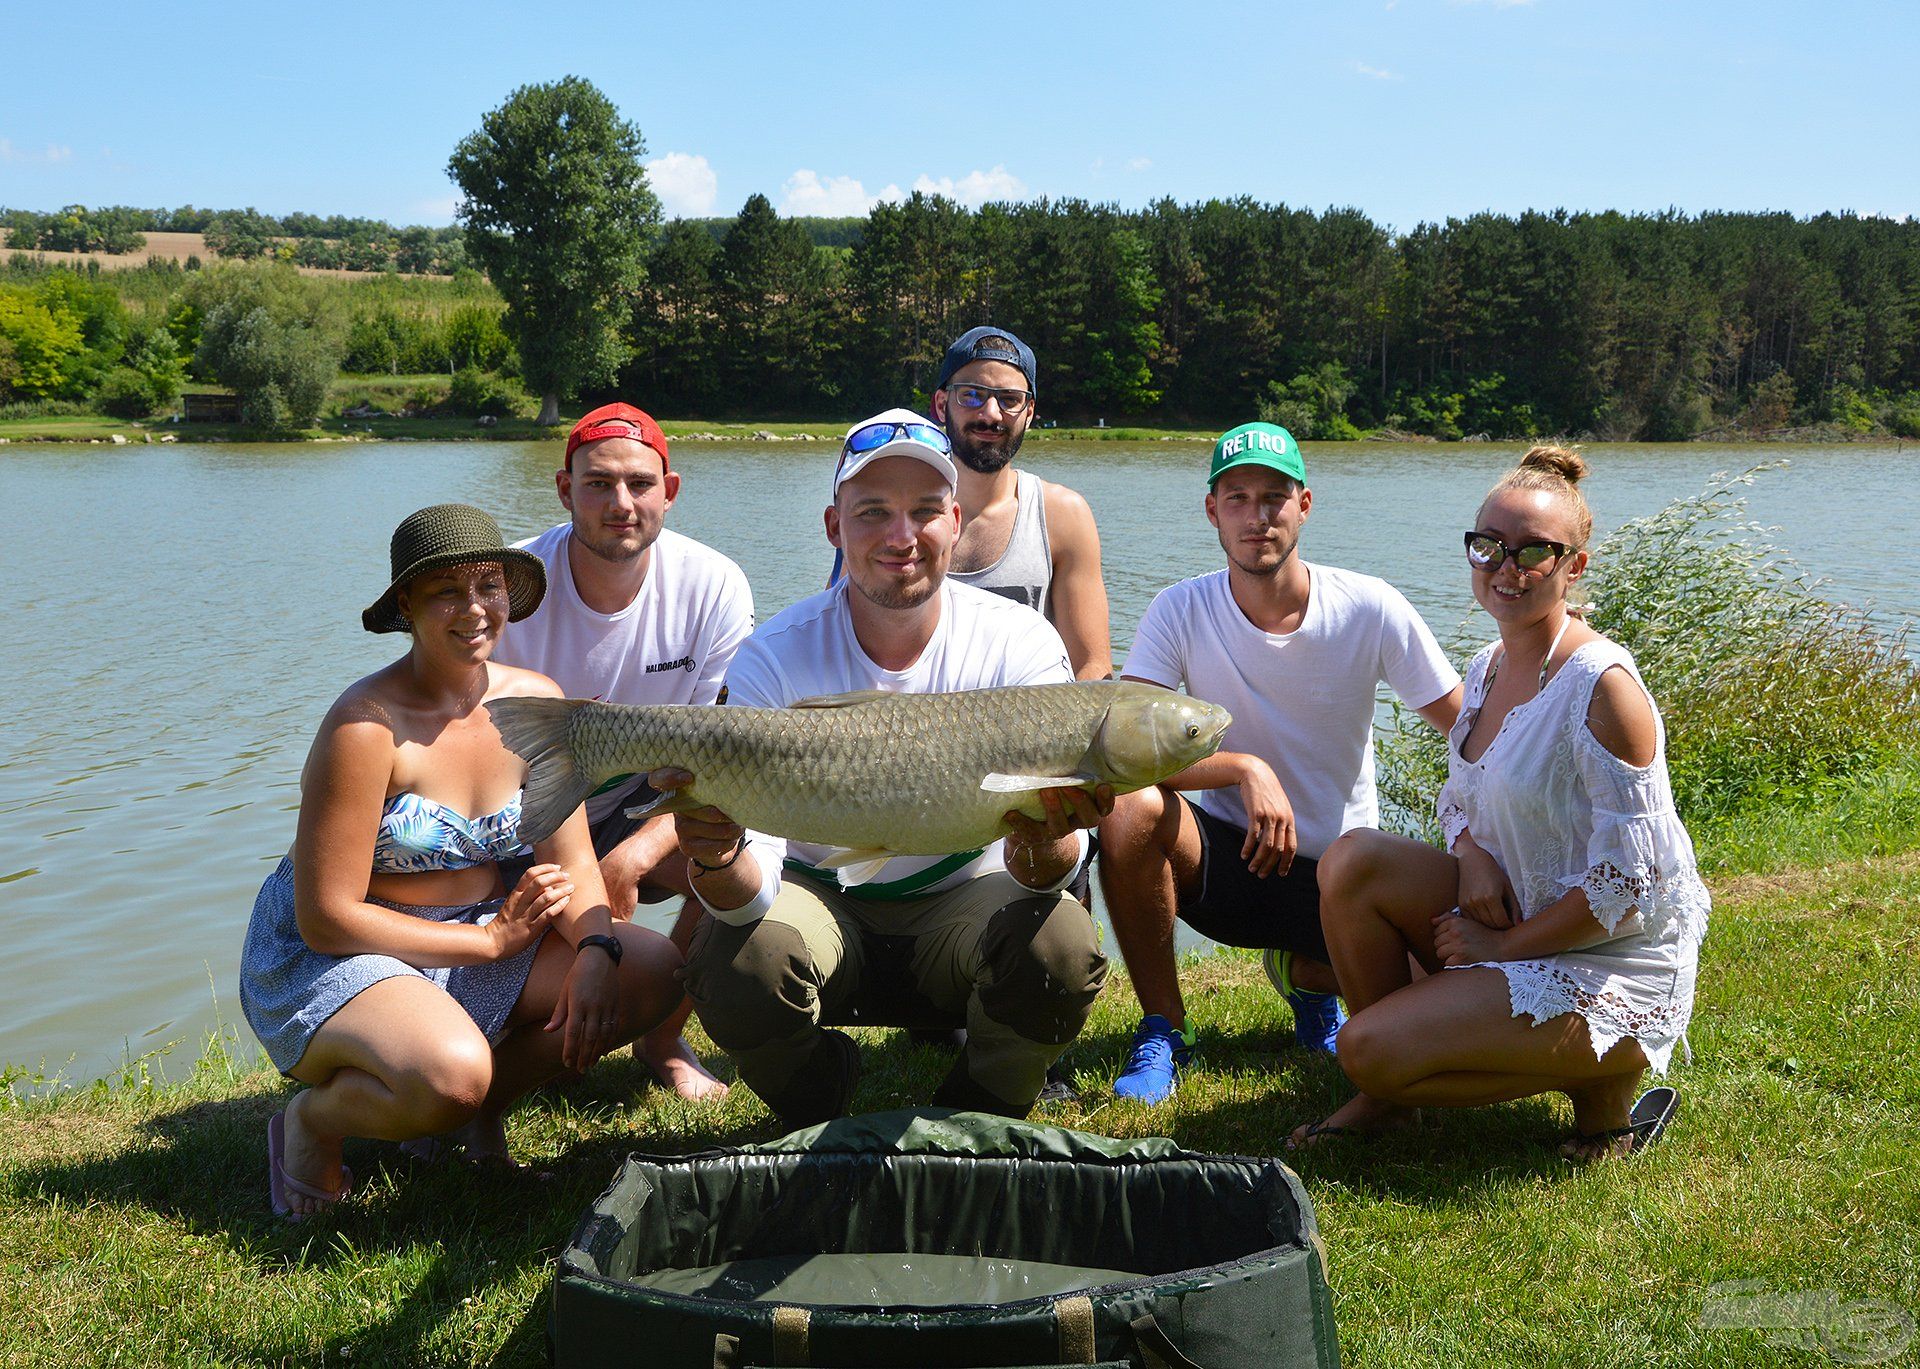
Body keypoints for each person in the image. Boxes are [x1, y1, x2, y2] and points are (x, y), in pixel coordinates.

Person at [666, 409, 1111, 1127]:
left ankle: (979, 1111)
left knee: (1061, 943)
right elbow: (745, 898)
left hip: (966, 899)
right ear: (833, 526)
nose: (901, 538)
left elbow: (1047, 875)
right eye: (872, 511)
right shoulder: (774, 656)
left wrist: (1048, 842)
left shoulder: (1022, 645)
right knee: (732, 959)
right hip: (819, 898)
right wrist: (717, 857)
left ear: (956, 522)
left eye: (925, 511)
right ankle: (817, 1093)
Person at [239, 504, 682, 1218]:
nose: (473, 608)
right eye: (446, 589)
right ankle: (311, 1124)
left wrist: (597, 946)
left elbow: (569, 859)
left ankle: (483, 1112)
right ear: (406, 604)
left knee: (651, 968)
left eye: (488, 584)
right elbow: (326, 917)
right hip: (346, 948)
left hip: (483, 928)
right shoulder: (365, 725)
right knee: (449, 1075)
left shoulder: (537, 703)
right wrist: (486, 941)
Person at [1296, 447, 1709, 1160]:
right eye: (1488, 545)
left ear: (1574, 567)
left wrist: (1502, 946)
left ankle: (1603, 1074)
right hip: (1517, 903)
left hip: (1610, 959)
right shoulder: (1488, 667)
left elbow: (1629, 887)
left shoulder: (1602, 688)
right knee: (1351, 859)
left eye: (1532, 552)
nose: (1504, 567)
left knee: (1362, 1048)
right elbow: (1461, 793)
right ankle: (1407, 1086)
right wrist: (1470, 853)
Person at [1098, 422, 1463, 1104]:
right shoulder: (1178, 608)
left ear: (1305, 504)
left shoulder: (1370, 605)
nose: (1256, 515)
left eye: (1274, 496)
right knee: (1129, 805)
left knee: (1451, 985)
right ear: (1212, 510)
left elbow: (1467, 732)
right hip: (1229, 864)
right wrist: (1243, 767)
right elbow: (1127, 751)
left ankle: (1307, 974)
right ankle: (1163, 1028)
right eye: (1237, 497)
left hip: (1339, 879)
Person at [492, 402, 753, 1101]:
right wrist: (575, 867)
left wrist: (632, 855)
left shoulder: (715, 585)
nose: (621, 503)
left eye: (640, 484)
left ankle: (662, 1039)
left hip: (645, 801)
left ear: (670, 490)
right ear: (563, 489)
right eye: (598, 484)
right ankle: (501, 1035)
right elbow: (467, 749)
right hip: (521, 808)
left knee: (730, 841)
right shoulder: (508, 588)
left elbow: (717, 763)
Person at [932, 325, 1113, 681]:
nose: (991, 414)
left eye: (1009, 399)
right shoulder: (895, 516)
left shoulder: (1063, 516)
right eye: (971, 395)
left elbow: (1091, 666)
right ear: (941, 404)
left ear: (1029, 412)